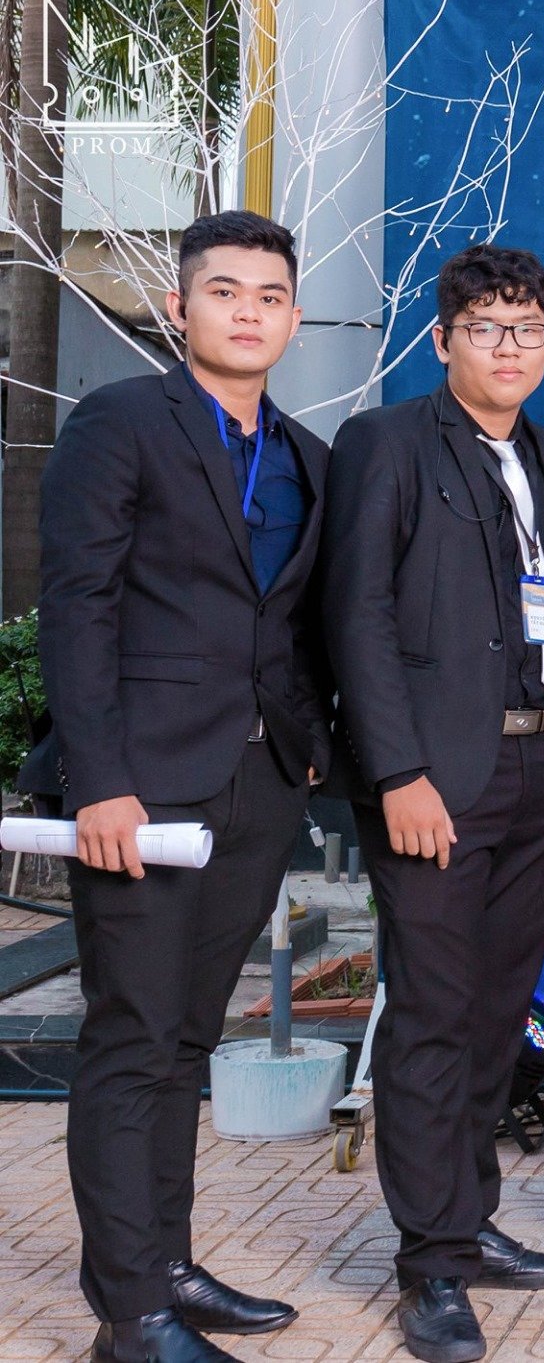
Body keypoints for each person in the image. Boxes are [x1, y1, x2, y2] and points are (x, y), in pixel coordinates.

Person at [24, 211, 328, 1363]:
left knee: (191, 1036)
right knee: (133, 1035)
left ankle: (169, 1264)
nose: (249, 312)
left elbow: (293, 623)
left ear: (293, 318)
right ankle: (130, 1316)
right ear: (183, 308)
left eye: (269, 296)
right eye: (226, 292)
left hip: (257, 782)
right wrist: (98, 783)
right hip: (140, 792)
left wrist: (309, 756)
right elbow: (80, 606)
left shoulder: (307, 453)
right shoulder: (120, 424)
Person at [324, 245, 544, 1363]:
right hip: (438, 780)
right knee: (435, 1017)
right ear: (443, 342)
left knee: (496, 1013)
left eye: (528, 328)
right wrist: (396, 774)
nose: (511, 346)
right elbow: (357, 620)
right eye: (487, 327)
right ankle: (429, 1263)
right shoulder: (385, 444)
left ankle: (467, 1220)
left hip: (543, 773)